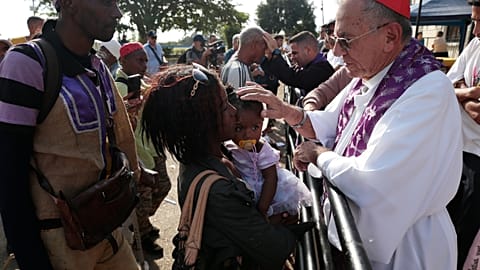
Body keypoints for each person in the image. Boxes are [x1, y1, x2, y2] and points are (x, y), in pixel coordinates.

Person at [238, 0, 462, 269]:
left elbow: (372, 181)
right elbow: (330, 123)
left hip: (404, 250)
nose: (336, 51)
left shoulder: (427, 90)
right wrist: (288, 112)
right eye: (334, 40)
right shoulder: (368, 75)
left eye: (345, 40)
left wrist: (319, 154)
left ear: (390, 36)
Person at [0, 0, 140, 269]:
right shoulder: (26, 63)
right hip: (58, 243)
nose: (117, 12)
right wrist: (32, 259)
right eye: (106, 2)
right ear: (68, 3)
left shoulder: (97, 66)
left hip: (106, 232)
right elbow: (9, 176)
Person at [140, 64, 311, 269]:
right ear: (201, 121)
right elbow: (272, 247)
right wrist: (284, 224)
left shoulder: (209, 155)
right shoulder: (218, 189)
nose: (234, 112)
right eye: (224, 106)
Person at [115, 42, 171, 257]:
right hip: (137, 155)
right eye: (140, 60)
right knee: (143, 197)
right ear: (123, 61)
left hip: (153, 149)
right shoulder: (118, 88)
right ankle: (143, 234)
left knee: (163, 187)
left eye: (146, 60)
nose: (144, 64)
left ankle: (140, 224)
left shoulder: (143, 84)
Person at [224, 93, 312, 218]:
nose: (248, 134)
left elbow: (271, 179)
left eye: (255, 127)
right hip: (246, 187)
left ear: (262, 123)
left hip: (266, 192)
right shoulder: (229, 145)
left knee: (274, 217)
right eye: (239, 128)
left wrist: (262, 208)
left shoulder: (262, 150)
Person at [445, 1, 480, 268]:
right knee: (448, 228)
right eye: (474, 21)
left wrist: (460, 92)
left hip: (478, 162)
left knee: (465, 238)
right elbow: (448, 83)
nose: (476, 30)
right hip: (460, 152)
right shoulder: (475, 45)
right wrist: (469, 94)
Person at [261, 30, 335, 96]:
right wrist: (270, 56)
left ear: (308, 50)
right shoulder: (309, 65)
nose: (292, 57)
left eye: (295, 53)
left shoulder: (322, 70)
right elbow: (288, 71)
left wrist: (276, 52)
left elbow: (293, 77)